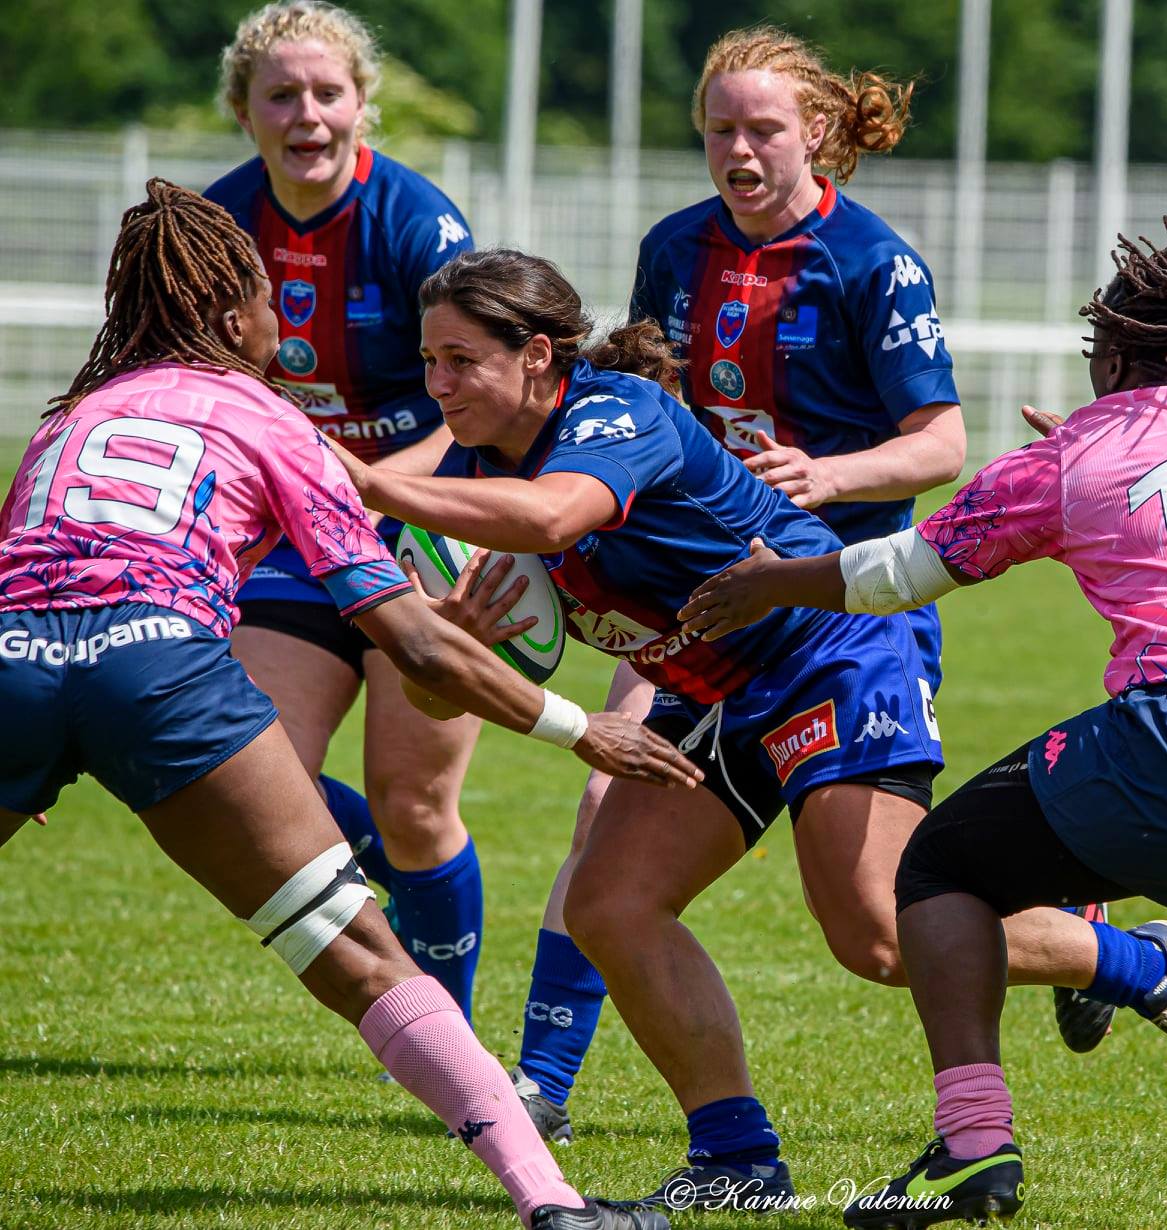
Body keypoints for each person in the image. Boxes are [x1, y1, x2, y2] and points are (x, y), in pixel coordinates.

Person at [682, 203, 1167, 1230]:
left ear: (1106, 354)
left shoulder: (1071, 453)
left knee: (941, 868)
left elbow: (896, 573)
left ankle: (972, 1152)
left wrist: (771, 582)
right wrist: (1089, 455)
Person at [0, 180, 700, 1230]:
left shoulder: (70, 418)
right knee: (362, 958)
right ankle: (551, 1206)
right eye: (267, 300)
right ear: (235, 315)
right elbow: (412, 635)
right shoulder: (272, 418)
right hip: (159, 669)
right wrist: (573, 727)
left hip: (13, 657)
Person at [336, 247, 1094, 1212]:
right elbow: (440, 693)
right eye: (428, 360)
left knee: (876, 934)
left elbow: (557, 514)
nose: (436, 385)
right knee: (610, 904)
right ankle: (737, 1162)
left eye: (459, 361)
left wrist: (373, 484)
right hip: (705, 694)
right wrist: (464, 641)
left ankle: (1132, 959)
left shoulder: (613, 412)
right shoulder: (469, 468)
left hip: (829, 648)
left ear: (536, 355)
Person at [509, 24, 1106, 1146]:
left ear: (816, 133)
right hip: (697, 599)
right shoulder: (674, 249)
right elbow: (644, 400)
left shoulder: (870, 262)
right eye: (718, 129)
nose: (737, 149)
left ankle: (1113, 950)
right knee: (607, 829)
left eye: (762, 128)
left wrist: (824, 474)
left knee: (875, 931)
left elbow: (938, 445)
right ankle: (545, 1083)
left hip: (837, 610)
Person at [204, 0, 489, 1018]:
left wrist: (376, 490)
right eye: (282, 94)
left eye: (328, 93)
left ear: (362, 105)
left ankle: (444, 1028)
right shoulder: (220, 225)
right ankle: (396, 918)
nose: (307, 115)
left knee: (416, 809)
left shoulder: (418, 223)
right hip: (294, 526)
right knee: (246, 771)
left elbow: (484, 403)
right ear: (246, 111)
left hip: (429, 517)